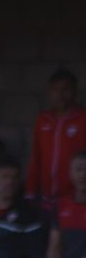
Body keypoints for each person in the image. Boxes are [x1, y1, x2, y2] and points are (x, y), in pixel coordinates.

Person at [26, 68, 86, 212]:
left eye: (66, 89)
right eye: (55, 90)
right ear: (49, 92)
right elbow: (36, 157)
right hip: (45, 199)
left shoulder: (83, 118)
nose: (60, 95)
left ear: (75, 91)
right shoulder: (43, 119)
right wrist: (30, 191)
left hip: (76, 199)